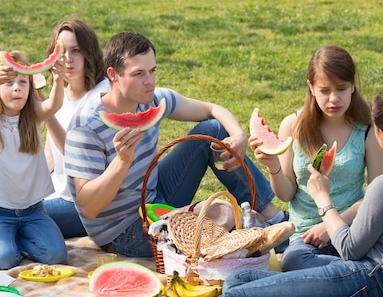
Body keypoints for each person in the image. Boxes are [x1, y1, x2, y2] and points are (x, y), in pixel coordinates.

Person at [216, 87, 383, 297]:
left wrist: (323, 199)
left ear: (381, 136)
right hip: (372, 290)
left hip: (362, 284)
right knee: (237, 281)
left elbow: (349, 248)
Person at [64, 31, 286, 257]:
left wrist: (238, 135)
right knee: (218, 219)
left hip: (154, 195)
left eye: (152, 71)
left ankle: (272, 216)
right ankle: (261, 238)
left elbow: (212, 110)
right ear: (113, 74)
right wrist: (121, 162)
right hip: (123, 231)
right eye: (138, 73)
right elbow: (88, 208)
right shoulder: (86, 126)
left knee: (213, 131)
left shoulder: (150, 101)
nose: (149, 81)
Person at [249, 46, 383, 270]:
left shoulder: (367, 131)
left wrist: (334, 223)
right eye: (324, 90)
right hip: (305, 239)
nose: (334, 98)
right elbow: (286, 194)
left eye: (341, 89)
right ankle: (359, 272)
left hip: (352, 229)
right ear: (311, 88)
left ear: (353, 86)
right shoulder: (292, 126)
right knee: (295, 259)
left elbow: (378, 196)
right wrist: (273, 166)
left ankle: (345, 273)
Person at [0, 51, 67, 269]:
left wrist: (59, 80)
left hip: (33, 210)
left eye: (23, 82)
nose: (17, 87)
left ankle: (13, 241)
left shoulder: (31, 117)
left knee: (56, 255)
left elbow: (53, 105)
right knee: (5, 260)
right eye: (8, 83)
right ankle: (1, 242)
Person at [42, 17, 108, 238]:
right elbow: (49, 160)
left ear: (89, 53)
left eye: (76, 51)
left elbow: (72, 155)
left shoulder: (101, 96)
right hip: (55, 195)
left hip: (83, 203)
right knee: (5, 210)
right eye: (60, 51)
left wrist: (45, 112)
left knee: (23, 218)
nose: (67, 59)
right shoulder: (58, 94)